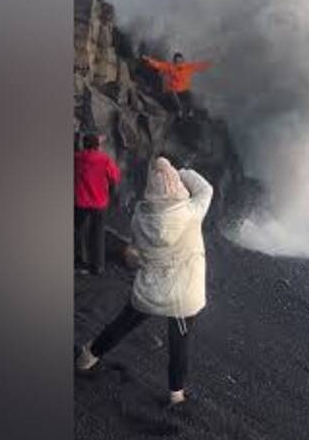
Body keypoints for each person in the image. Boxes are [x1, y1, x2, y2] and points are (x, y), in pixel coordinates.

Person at [76, 157, 214, 408]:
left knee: (122, 324)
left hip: (149, 290)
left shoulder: (140, 218)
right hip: (182, 295)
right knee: (179, 343)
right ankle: (176, 395)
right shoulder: (191, 213)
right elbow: (205, 189)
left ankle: (88, 357)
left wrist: (162, 174)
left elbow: (136, 251)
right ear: (175, 185)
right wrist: (179, 171)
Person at [75, 134, 122, 276]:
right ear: (98, 146)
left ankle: (82, 262)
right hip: (99, 202)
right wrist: (112, 196)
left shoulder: (76, 158)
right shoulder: (104, 160)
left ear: (83, 145)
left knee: (80, 232)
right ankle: (98, 266)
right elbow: (114, 178)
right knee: (98, 234)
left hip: (80, 201)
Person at [141, 52, 212, 118]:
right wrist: (148, 59)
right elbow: (158, 64)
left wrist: (211, 62)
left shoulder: (188, 67)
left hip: (184, 90)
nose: (179, 63)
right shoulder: (170, 67)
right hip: (174, 91)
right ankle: (179, 110)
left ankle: (190, 111)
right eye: (177, 61)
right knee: (172, 92)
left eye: (180, 61)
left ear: (183, 61)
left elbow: (200, 65)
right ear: (174, 62)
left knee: (189, 94)